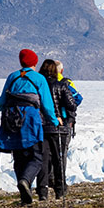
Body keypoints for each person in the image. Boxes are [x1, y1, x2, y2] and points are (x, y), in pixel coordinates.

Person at [0, 49, 59, 204]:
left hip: (12, 119)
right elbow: (47, 105)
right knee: (36, 155)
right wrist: (54, 121)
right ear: (34, 63)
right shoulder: (39, 78)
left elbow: (1, 102)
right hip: (30, 120)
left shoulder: (12, 77)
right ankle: (26, 180)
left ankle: (25, 192)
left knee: (18, 155)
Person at [35, 60, 77, 200]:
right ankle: (60, 190)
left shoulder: (37, 86)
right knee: (59, 159)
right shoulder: (61, 85)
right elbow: (72, 104)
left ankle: (42, 191)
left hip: (41, 127)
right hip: (58, 126)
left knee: (43, 159)